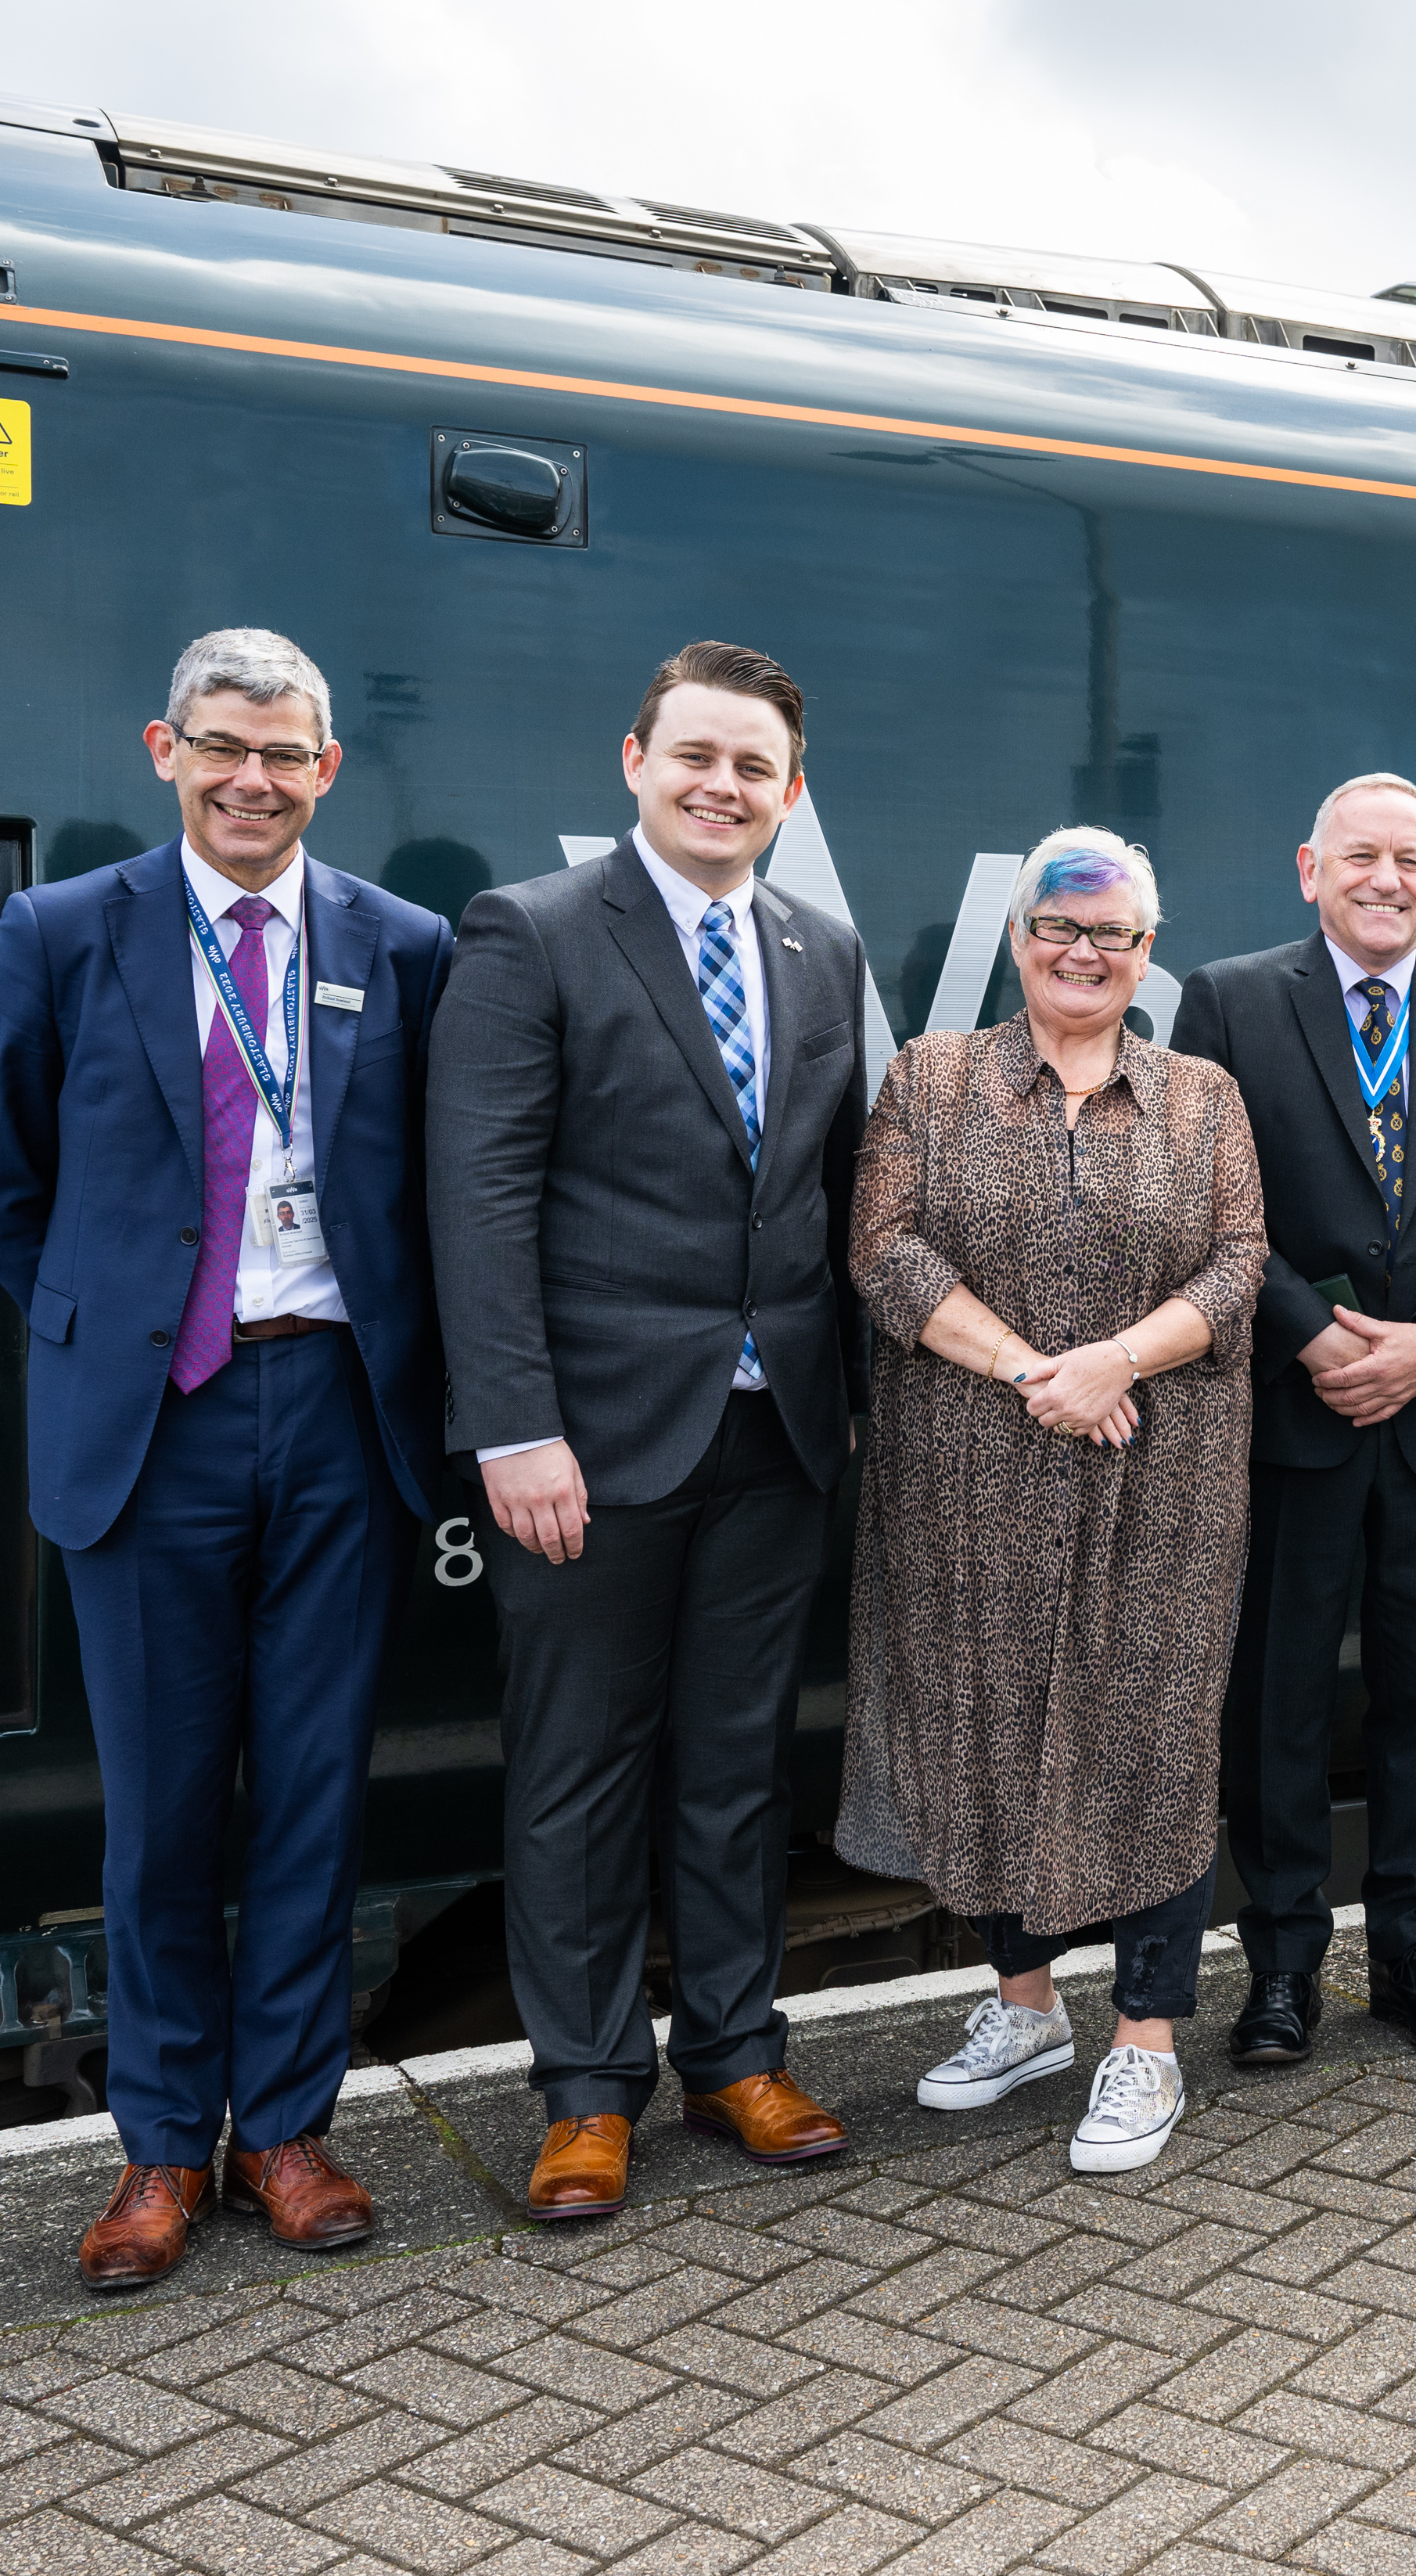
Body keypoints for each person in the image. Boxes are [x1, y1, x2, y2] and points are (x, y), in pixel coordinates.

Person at [0, 628, 451, 2290]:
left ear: (328, 769)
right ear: (164, 746)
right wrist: (121, 1323)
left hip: (336, 1411)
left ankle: (286, 2130)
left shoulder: (405, 948)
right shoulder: (64, 932)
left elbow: (431, 1187)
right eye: (224, 747)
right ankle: (162, 2147)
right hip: (155, 1419)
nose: (254, 779)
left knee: (312, 1789)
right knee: (162, 1808)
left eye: (287, 753)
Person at [428, 642, 868, 2219]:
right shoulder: (531, 933)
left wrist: (854, 1411)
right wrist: (512, 1428)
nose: (721, 784)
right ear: (634, 759)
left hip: (776, 1436)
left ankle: (737, 2050)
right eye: (695, 754)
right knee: (577, 1769)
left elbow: (832, 1196)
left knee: (738, 1761)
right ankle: (587, 2090)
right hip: (590, 1446)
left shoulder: (822, 951)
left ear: (789, 791)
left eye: (754, 765)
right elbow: (476, 1199)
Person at [836, 830, 1267, 2175]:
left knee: (1153, 1731)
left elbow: (1245, 1259)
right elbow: (882, 1251)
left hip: (1164, 1479)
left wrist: (1119, 1361)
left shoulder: (1203, 1095)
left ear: (1151, 950)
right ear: (1020, 937)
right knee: (986, 1723)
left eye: (1115, 932)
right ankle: (1025, 2008)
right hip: (971, 1475)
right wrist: (1042, 1371)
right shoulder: (932, 1075)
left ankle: (1145, 2040)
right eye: (1059, 927)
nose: (1085, 952)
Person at [1170, 775, 1416, 2067]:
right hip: (1295, 1412)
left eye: (1410, 858)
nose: (1385, 877)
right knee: (1275, 1702)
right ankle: (1280, 1967)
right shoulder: (1228, 1001)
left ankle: (1414, 1953)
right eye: (1360, 856)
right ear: (1308, 866)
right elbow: (1205, 1198)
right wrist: (1317, 1332)